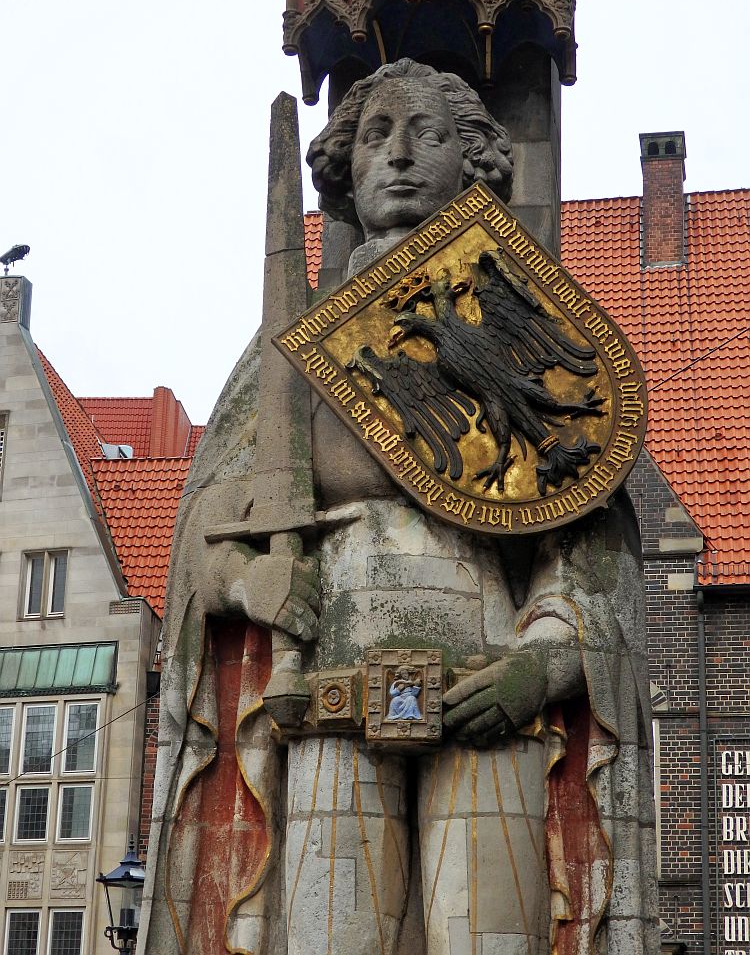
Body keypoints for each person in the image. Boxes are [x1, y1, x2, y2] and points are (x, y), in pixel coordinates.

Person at [139, 60, 658, 955]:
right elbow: (205, 538)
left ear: (477, 159)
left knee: (491, 939)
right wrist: (246, 583)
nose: (400, 157)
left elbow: (587, 542)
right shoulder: (290, 351)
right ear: (346, 166)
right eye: (376, 135)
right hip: (329, 689)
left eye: (429, 133)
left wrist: (546, 662)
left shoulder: (516, 316)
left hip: (488, 685)